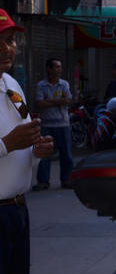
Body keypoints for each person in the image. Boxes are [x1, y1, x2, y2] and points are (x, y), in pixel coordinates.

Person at [0, 8, 54, 274]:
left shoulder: (11, 85)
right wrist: (7, 144)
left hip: (17, 212)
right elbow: (11, 141)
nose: (8, 48)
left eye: (11, 40)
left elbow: (24, 139)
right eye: (1, 41)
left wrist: (36, 150)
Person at [34, 58, 73, 190]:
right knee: (44, 153)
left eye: (60, 67)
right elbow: (39, 103)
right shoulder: (41, 85)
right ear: (49, 69)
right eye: (57, 67)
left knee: (66, 153)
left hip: (63, 124)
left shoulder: (64, 84)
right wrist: (58, 101)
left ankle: (67, 179)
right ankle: (43, 181)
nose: (59, 70)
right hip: (46, 124)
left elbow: (67, 100)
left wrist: (49, 101)